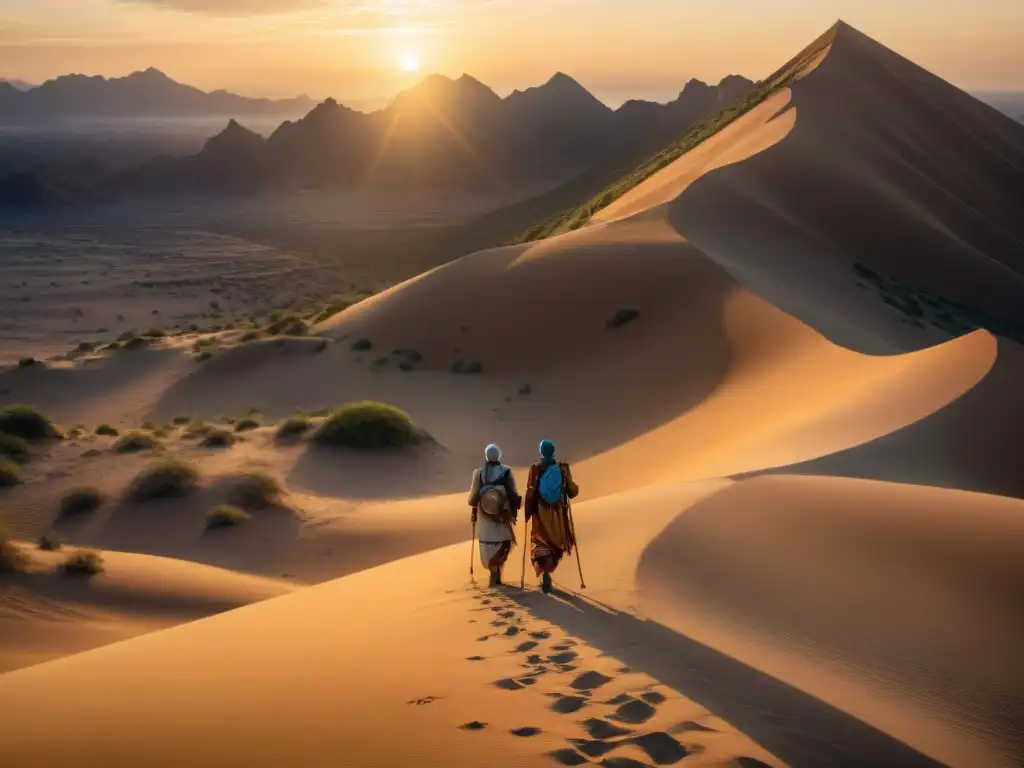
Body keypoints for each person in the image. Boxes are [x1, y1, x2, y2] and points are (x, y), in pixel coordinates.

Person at [524, 439, 579, 593]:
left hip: (540, 517)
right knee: (553, 546)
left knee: (541, 543)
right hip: (557, 517)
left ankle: (545, 577)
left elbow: (529, 491)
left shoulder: (535, 469)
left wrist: (527, 509)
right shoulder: (562, 469)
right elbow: (573, 491)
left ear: (541, 452)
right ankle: (547, 576)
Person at [468, 443, 521, 587]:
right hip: (502, 517)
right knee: (503, 543)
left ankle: (493, 574)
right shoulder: (507, 471)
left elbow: (471, 500)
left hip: (485, 519)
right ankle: (496, 574)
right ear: (499, 455)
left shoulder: (478, 474)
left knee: (488, 545)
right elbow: (513, 494)